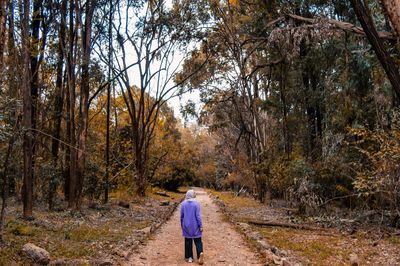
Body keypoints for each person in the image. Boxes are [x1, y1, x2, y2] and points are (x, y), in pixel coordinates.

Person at [180, 189, 204, 264]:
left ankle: (189, 257)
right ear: (193, 195)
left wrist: (182, 224)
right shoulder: (196, 204)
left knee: (188, 241)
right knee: (198, 241)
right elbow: (198, 216)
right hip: (196, 225)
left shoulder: (183, 204)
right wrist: (201, 225)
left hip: (186, 226)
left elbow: (182, 216)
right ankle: (200, 253)